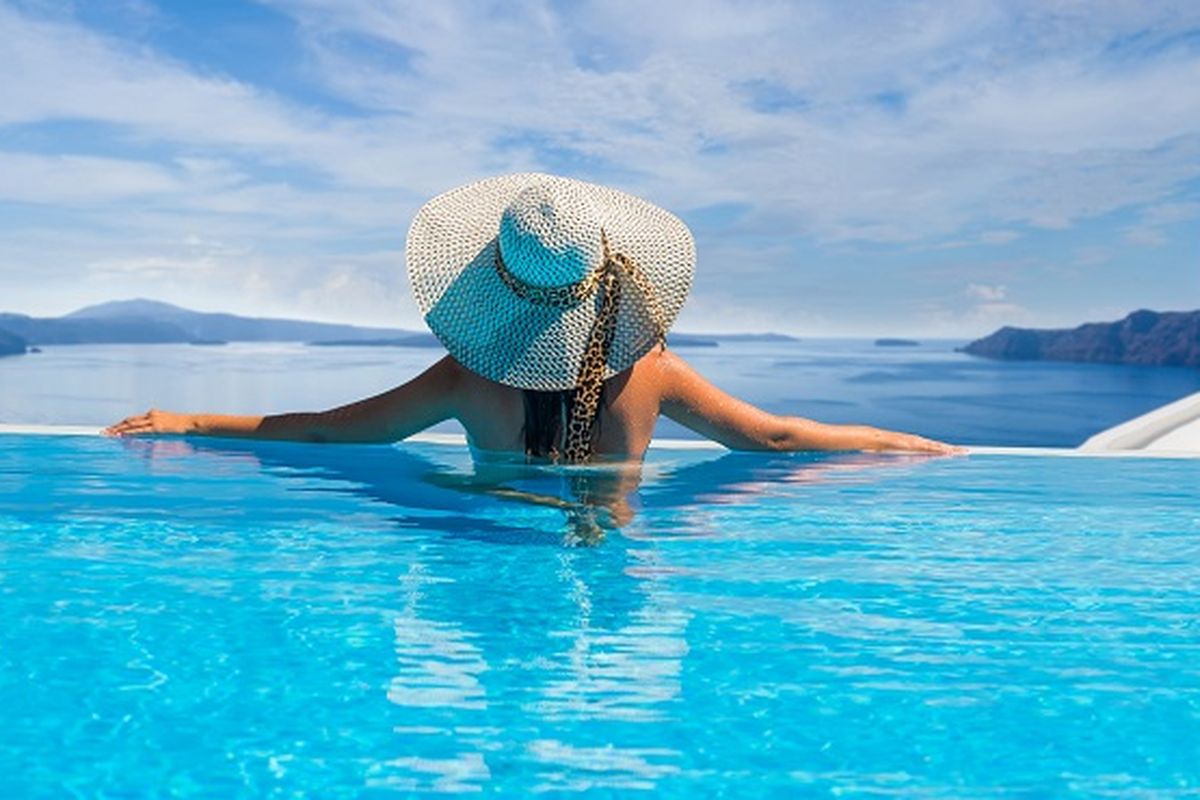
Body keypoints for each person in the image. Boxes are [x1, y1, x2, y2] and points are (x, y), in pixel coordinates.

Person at [105, 173, 961, 461]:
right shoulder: (651, 371)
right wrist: (897, 442)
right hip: (614, 564)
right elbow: (773, 440)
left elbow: (333, 434)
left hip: (489, 559)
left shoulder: (469, 378)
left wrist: (192, 419)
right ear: (606, 274)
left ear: (494, 283)